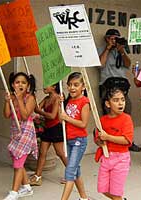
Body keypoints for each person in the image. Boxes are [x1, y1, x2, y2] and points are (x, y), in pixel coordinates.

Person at [98, 28, 141, 152]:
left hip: (122, 88)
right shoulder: (102, 49)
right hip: (108, 87)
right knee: (108, 115)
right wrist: (108, 48)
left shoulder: (121, 50)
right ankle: (108, 141)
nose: (114, 40)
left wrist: (121, 51)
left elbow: (128, 64)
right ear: (107, 39)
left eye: (116, 38)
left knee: (126, 112)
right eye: (112, 38)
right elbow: (100, 64)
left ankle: (128, 140)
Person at [3, 72, 38, 200]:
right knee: (18, 160)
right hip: (15, 131)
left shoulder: (30, 98)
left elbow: (24, 115)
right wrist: (7, 102)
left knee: (18, 163)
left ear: (28, 85)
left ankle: (14, 192)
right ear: (12, 85)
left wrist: (18, 98)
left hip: (26, 132)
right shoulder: (11, 97)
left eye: (23, 82)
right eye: (17, 82)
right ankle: (27, 187)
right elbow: (7, 115)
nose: (20, 84)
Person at [94, 87, 133, 200]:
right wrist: (100, 141)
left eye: (122, 99)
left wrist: (108, 137)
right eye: (116, 100)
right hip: (106, 157)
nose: (120, 103)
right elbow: (98, 140)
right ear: (108, 104)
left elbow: (126, 140)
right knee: (103, 189)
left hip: (121, 159)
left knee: (116, 194)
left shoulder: (126, 119)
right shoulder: (102, 120)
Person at [60, 72, 90, 200]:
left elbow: (83, 124)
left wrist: (67, 118)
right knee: (75, 170)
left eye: (76, 85)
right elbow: (61, 118)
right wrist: (59, 103)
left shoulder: (84, 102)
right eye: (70, 84)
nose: (72, 87)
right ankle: (84, 198)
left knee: (70, 171)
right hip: (69, 139)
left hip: (79, 140)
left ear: (83, 87)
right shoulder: (68, 101)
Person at [30, 83, 67, 186]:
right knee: (42, 152)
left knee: (60, 153)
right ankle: (38, 176)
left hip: (56, 128)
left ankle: (73, 173)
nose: (44, 86)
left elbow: (52, 116)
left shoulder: (57, 99)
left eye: (47, 84)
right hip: (47, 128)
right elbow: (36, 107)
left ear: (54, 87)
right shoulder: (46, 99)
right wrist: (32, 97)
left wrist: (39, 112)